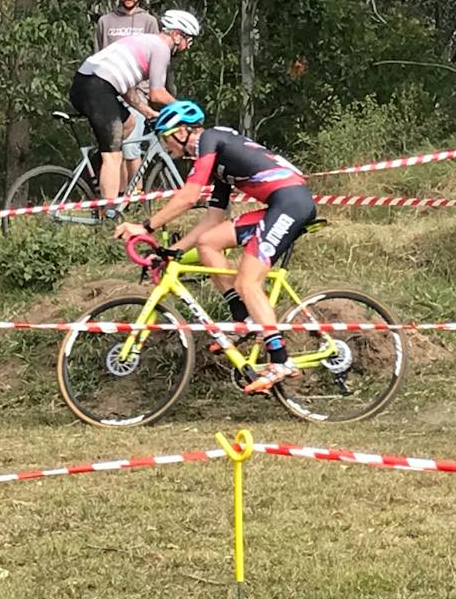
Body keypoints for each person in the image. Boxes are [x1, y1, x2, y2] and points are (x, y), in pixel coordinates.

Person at [116, 101, 315, 394]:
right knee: (210, 243)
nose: (164, 144)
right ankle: (243, 319)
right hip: (282, 204)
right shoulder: (221, 165)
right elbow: (212, 221)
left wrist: (145, 227)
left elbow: (188, 196)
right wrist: (172, 252)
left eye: (165, 136)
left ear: (182, 133)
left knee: (249, 281)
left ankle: (281, 360)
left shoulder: (210, 140)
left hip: (291, 204)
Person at [69, 10, 200, 215]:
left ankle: (95, 170)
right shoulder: (161, 49)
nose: (188, 45)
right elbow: (157, 93)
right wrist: (181, 107)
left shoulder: (147, 42)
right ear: (176, 35)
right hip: (96, 88)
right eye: (188, 39)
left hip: (91, 83)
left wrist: (145, 110)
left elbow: (126, 86)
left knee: (129, 123)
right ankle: (108, 217)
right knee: (113, 156)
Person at [94, 0, 160, 189]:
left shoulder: (149, 22)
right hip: (110, 94)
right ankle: (120, 197)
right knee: (115, 149)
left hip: (137, 95)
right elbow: (98, 55)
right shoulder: (105, 22)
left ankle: (138, 194)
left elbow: (155, 57)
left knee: (132, 149)